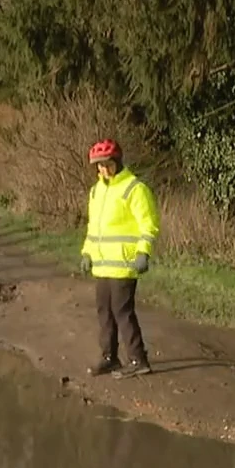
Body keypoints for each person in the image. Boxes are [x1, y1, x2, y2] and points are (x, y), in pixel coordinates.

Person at [79, 139, 158, 378]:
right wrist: (86, 252)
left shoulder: (134, 189)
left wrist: (144, 252)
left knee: (122, 312)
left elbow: (149, 224)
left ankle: (138, 360)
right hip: (102, 265)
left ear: (117, 162)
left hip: (124, 264)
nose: (103, 170)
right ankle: (109, 358)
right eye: (99, 166)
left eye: (107, 164)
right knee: (105, 312)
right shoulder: (96, 191)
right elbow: (94, 228)